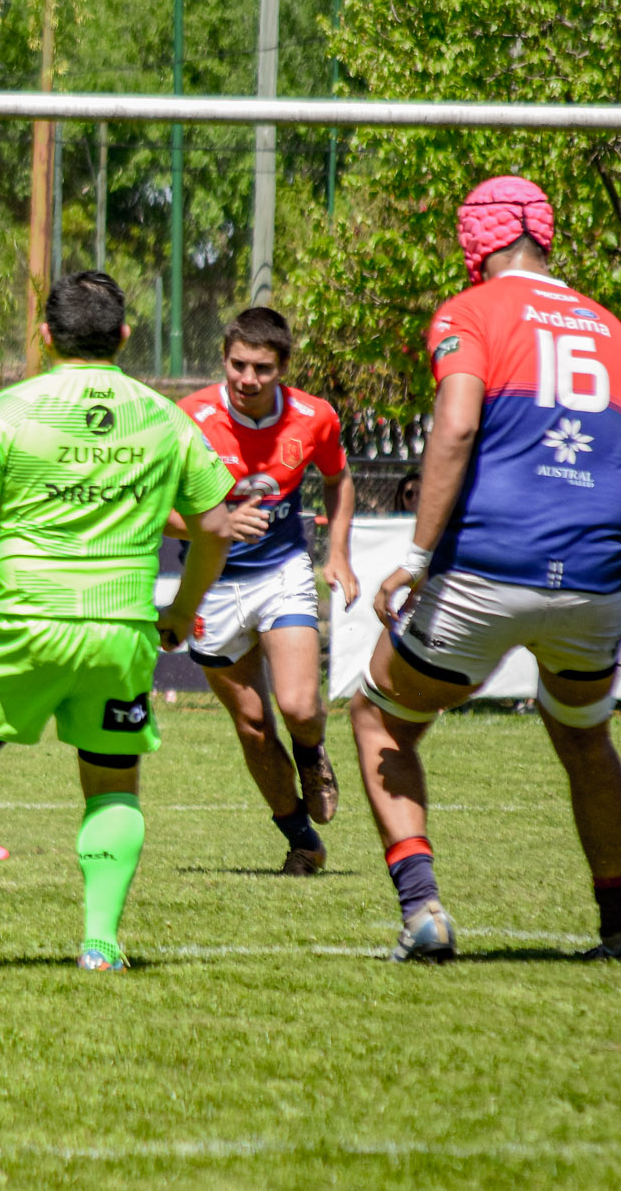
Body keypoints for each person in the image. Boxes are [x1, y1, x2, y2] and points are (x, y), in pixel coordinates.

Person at [0, 271, 235, 972]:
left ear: (46, 335)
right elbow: (216, 525)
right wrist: (181, 610)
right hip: (119, 631)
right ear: (124, 335)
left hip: (23, 624)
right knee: (113, 784)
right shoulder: (165, 416)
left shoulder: (7, 411)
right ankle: (99, 943)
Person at [349, 176, 621, 965]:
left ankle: (424, 912)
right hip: (598, 566)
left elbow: (456, 424)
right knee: (584, 733)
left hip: (490, 559)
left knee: (380, 714)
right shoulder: (612, 327)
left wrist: (415, 556)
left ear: (477, 238)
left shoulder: (471, 310)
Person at [175, 307, 357, 876]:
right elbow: (149, 507)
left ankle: (312, 753)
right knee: (252, 726)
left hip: (282, 571)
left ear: (282, 369)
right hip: (210, 584)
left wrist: (340, 554)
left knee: (300, 705)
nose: (247, 379)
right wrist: (216, 524)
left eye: (262, 368)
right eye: (237, 365)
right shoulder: (188, 418)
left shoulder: (314, 417)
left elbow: (338, 477)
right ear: (224, 359)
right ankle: (302, 840)